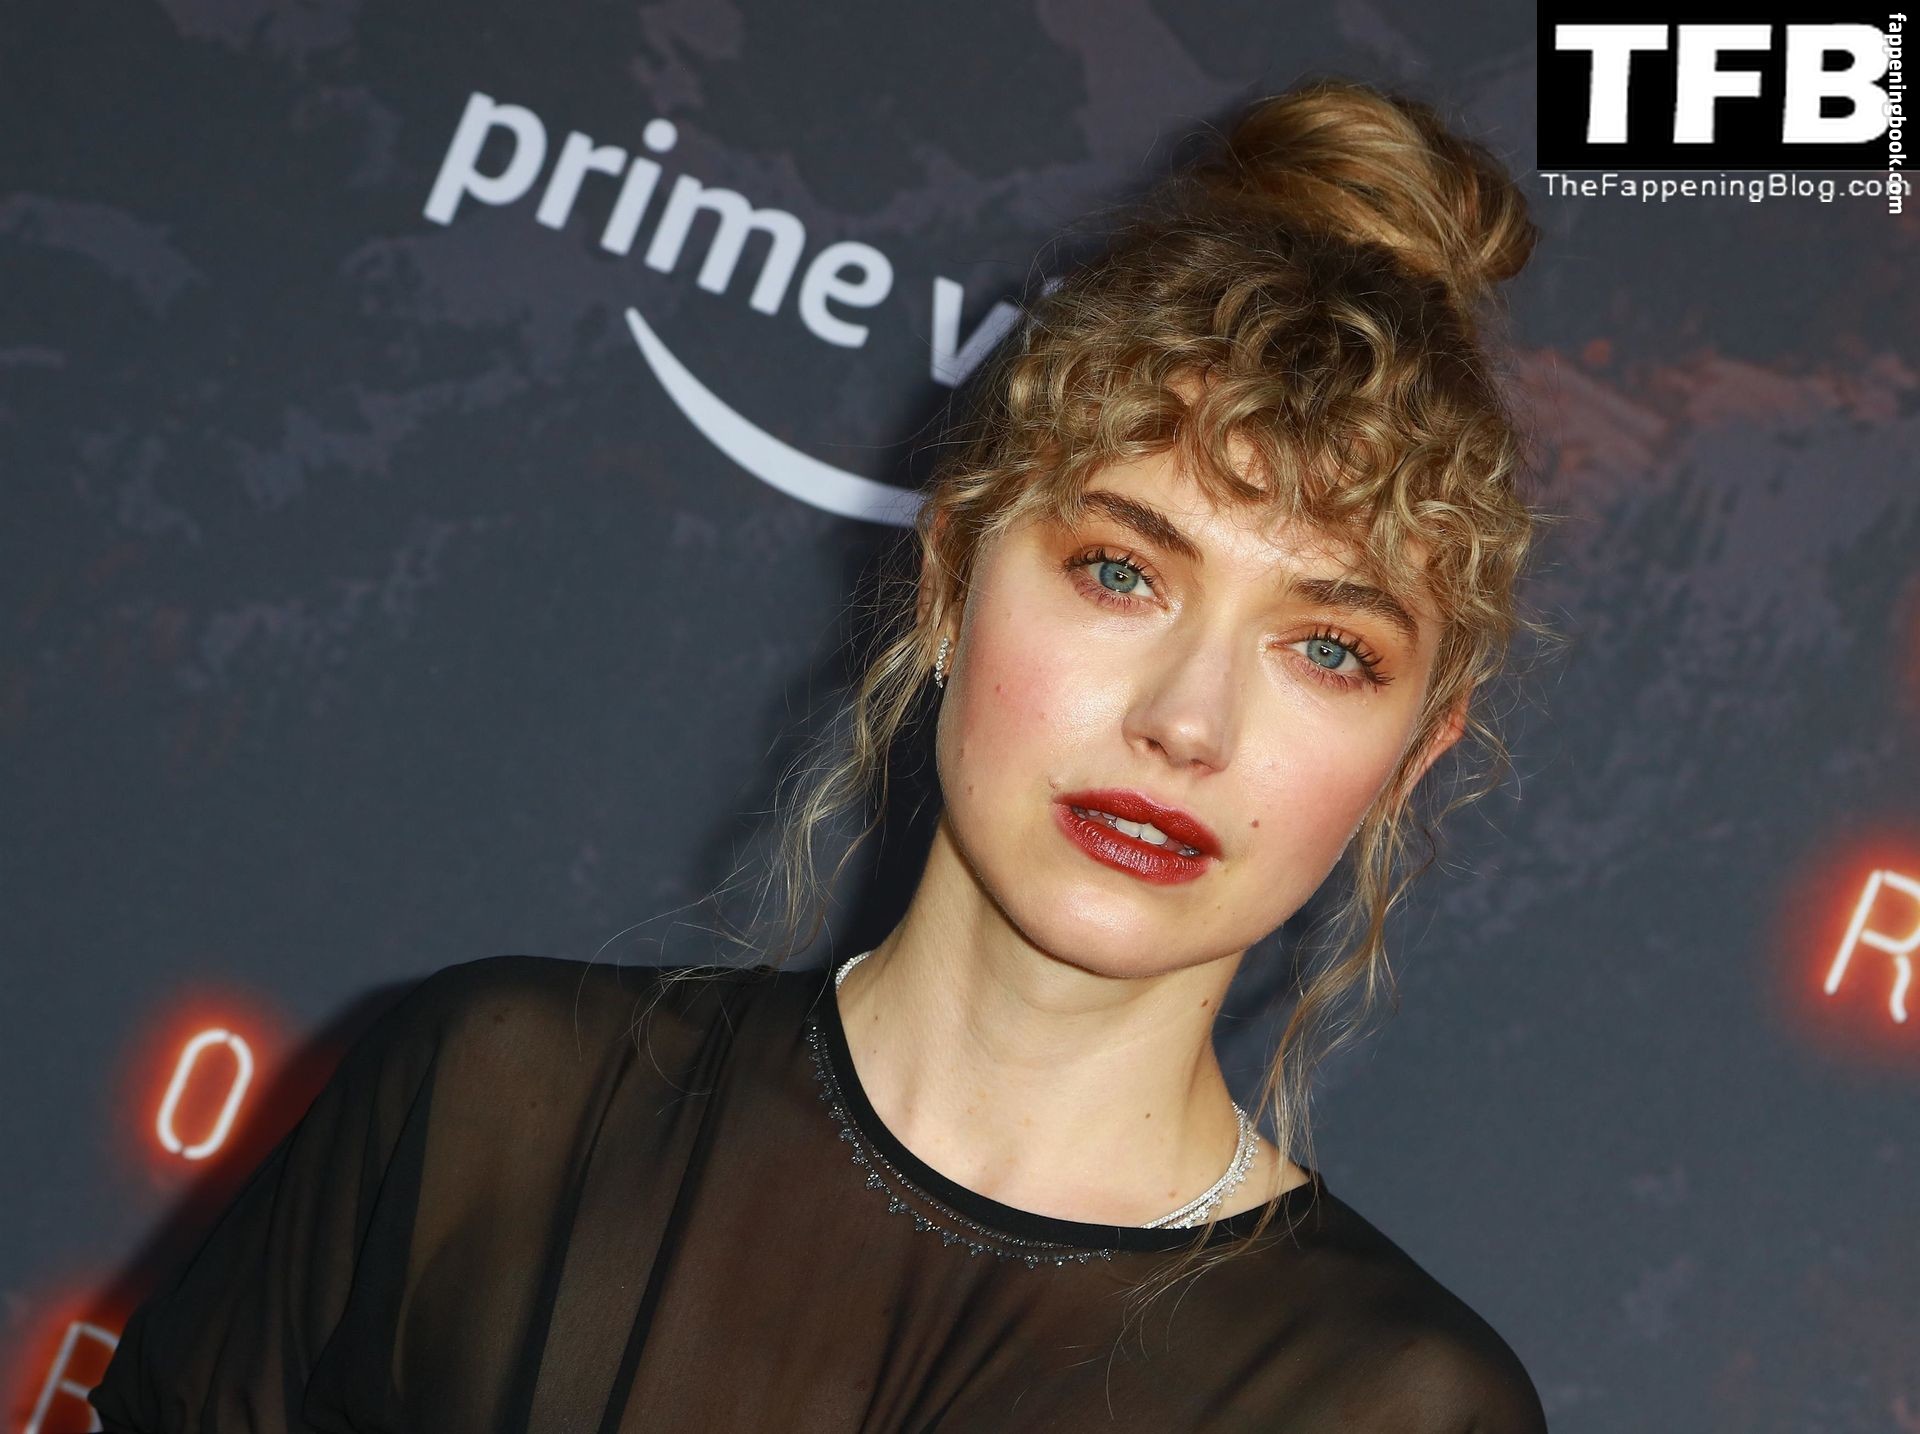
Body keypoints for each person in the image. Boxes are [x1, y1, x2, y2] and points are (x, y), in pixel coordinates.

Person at [90, 74, 1558, 1432]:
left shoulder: (1400, 1407)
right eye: (1122, 571)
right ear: (949, 582)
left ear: (1415, 754)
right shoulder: (492, 1106)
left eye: (1328, 648)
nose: (1188, 720)